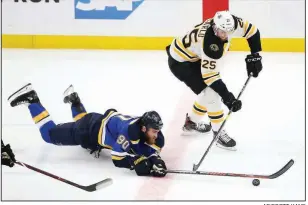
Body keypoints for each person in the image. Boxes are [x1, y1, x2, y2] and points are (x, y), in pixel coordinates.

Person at [8, 83, 167, 177]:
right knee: (49, 135)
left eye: (158, 131)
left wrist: (156, 160)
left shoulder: (153, 134)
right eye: (154, 131)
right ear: (144, 128)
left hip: (96, 121)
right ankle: (32, 100)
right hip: (89, 131)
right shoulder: (128, 132)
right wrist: (134, 163)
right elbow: (118, 159)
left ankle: (74, 100)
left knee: (81, 122)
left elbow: (149, 149)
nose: (157, 134)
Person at [166, 10, 263, 150]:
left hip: (194, 56)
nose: (224, 35)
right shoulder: (210, 44)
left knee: (209, 93)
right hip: (180, 62)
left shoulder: (232, 24)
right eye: (221, 31)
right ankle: (218, 133)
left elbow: (252, 31)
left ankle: (191, 123)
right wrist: (227, 97)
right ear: (214, 26)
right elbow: (210, 76)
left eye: (227, 32)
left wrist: (255, 55)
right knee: (211, 93)